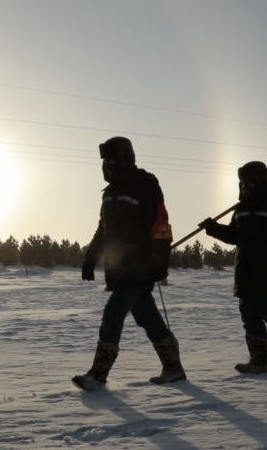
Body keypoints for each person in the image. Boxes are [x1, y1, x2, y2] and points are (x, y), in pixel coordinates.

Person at [73, 136, 186, 391]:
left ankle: (98, 374)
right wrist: (91, 258)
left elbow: (161, 226)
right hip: (118, 267)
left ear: (126, 159)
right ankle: (173, 369)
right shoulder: (110, 193)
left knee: (113, 312)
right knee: (147, 317)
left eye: (111, 160)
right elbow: (102, 229)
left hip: (139, 266)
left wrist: (157, 263)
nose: (107, 165)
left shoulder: (145, 185)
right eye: (104, 161)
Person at [201, 161, 267, 374]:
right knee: (250, 316)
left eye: (251, 180)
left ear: (263, 179)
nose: (246, 185)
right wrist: (213, 228)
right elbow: (235, 236)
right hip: (247, 271)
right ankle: (258, 362)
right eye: (243, 181)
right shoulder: (241, 207)